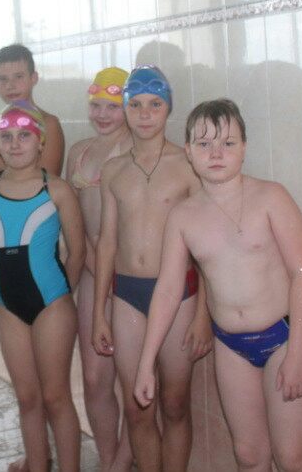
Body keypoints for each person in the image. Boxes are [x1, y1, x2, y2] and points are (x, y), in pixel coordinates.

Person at [134, 99, 302, 471]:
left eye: (228, 143)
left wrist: (298, 353)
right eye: (204, 144)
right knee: (249, 455)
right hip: (231, 346)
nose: (216, 153)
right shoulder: (183, 216)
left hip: (284, 337)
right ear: (188, 151)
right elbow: (167, 290)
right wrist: (146, 362)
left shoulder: (271, 197)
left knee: (292, 457)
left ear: (244, 148)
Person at [92, 65, 212, 472]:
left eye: (155, 105)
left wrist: (203, 315)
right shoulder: (113, 171)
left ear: (168, 108)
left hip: (181, 295)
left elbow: (205, 248)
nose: (145, 114)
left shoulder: (187, 166)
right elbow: (107, 243)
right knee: (137, 407)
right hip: (127, 295)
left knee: (175, 404)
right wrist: (99, 312)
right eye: (136, 105)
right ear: (125, 109)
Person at [0, 102, 85, 472]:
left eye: (24, 135)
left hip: (53, 305)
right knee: (26, 398)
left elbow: (78, 252)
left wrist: (60, 296)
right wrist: (5, 293)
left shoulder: (58, 190)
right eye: (6, 137)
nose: (15, 143)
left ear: (41, 143)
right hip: (9, 308)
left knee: (55, 397)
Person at [64, 67, 133, 472]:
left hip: (130, 276)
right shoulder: (79, 151)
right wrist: (87, 265)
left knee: (133, 379)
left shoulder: (138, 150)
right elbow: (72, 220)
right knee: (94, 377)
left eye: (112, 106)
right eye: (96, 105)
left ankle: (121, 462)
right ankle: (108, 458)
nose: (102, 114)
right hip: (93, 273)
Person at [0, 44, 65, 182]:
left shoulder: (49, 124)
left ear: (33, 78)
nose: (10, 85)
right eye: (3, 79)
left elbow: (45, 185)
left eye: (18, 76)